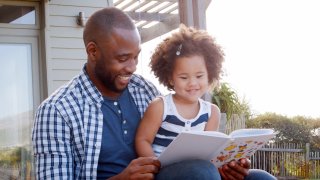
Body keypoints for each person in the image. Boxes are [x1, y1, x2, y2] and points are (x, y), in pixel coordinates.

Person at [32, 7, 275, 180]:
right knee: (200, 174)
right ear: (93, 51)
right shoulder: (57, 111)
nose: (132, 67)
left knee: (258, 177)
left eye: (136, 56)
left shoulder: (144, 90)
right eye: (123, 58)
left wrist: (222, 167)